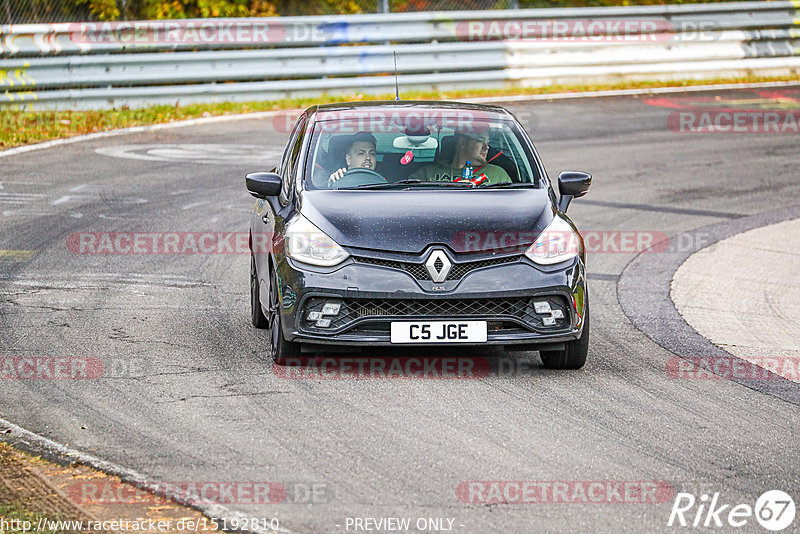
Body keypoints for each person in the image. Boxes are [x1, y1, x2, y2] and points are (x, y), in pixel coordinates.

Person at [410, 130, 511, 185]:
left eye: (488, 142)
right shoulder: (425, 175)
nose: (486, 147)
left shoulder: (498, 175)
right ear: (462, 143)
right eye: (480, 140)